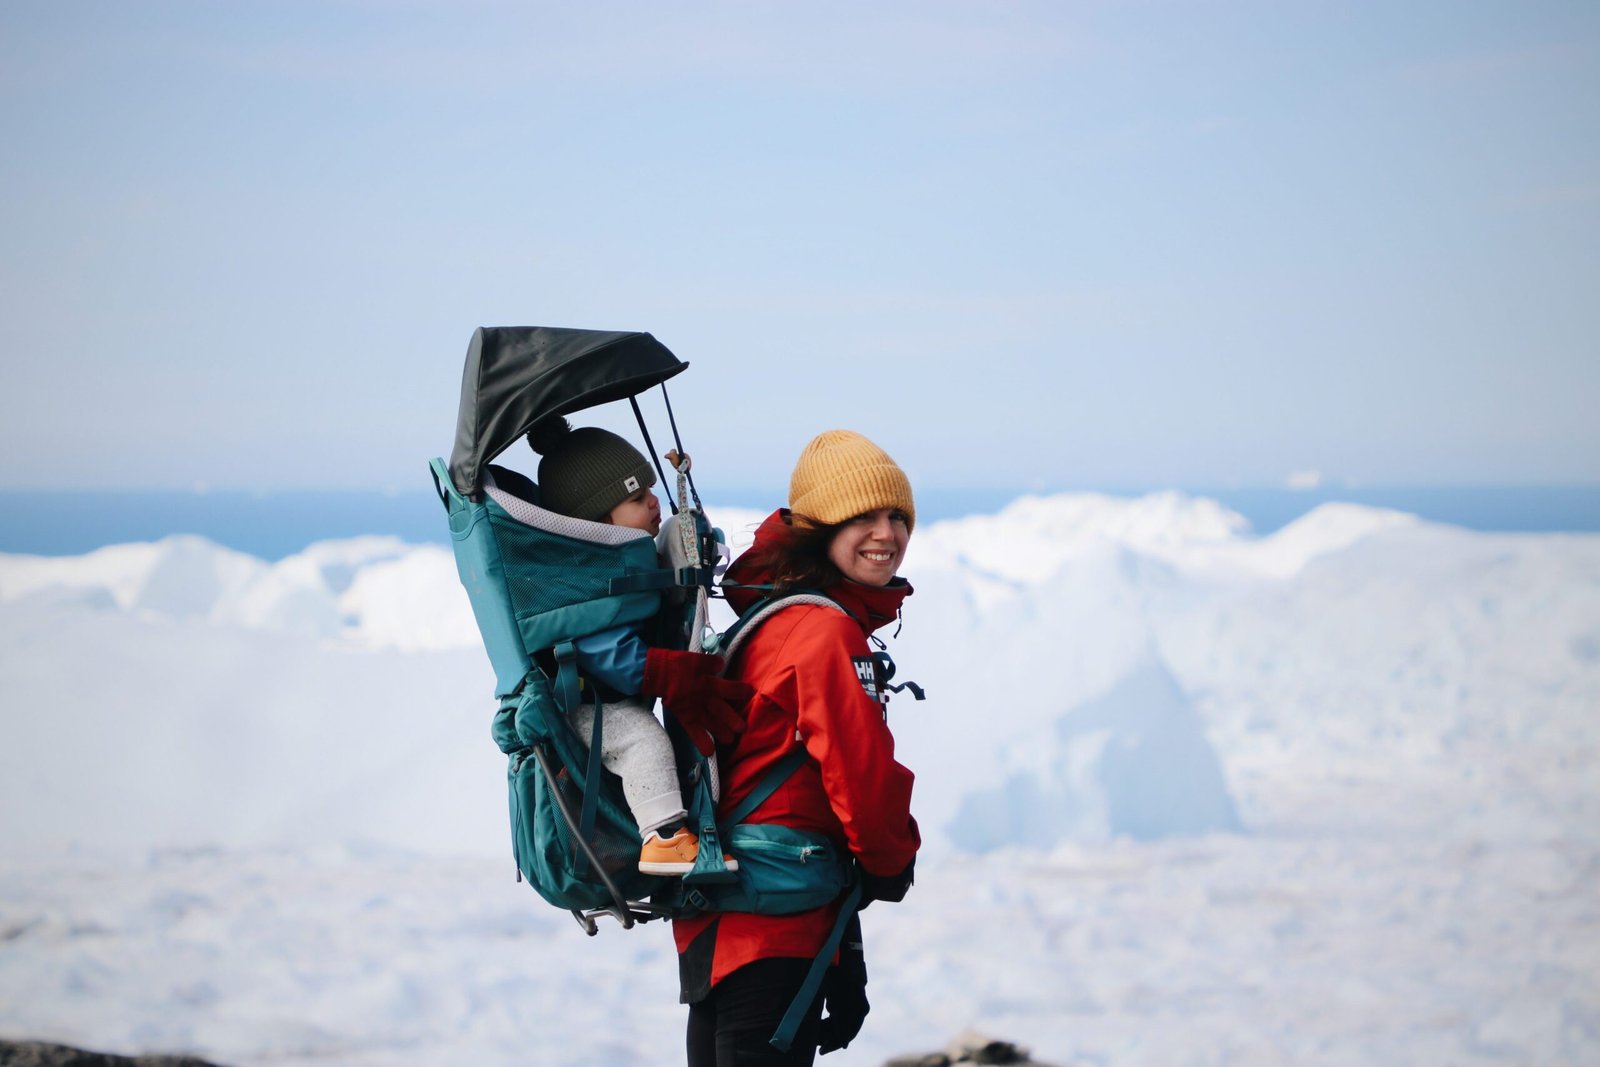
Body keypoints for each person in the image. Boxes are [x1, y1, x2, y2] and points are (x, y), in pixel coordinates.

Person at [676, 429, 922, 1065]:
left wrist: (848, 948)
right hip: (773, 920)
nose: (887, 533)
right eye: (862, 515)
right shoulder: (823, 633)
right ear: (820, 528)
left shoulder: (776, 619)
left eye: (897, 516)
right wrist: (892, 861)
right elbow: (860, 776)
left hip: (734, 917)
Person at [526, 416, 747, 875]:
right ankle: (664, 837)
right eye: (635, 497)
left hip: (610, 700)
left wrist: (692, 521)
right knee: (642, 742)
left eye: (649, 488)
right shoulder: (583, 585)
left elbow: (675, 542)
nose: (652, 501)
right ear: (596, 521)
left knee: (644, 736)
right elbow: (605, 652)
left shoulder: (621, 562)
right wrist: (662, 670)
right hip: (584, 707)